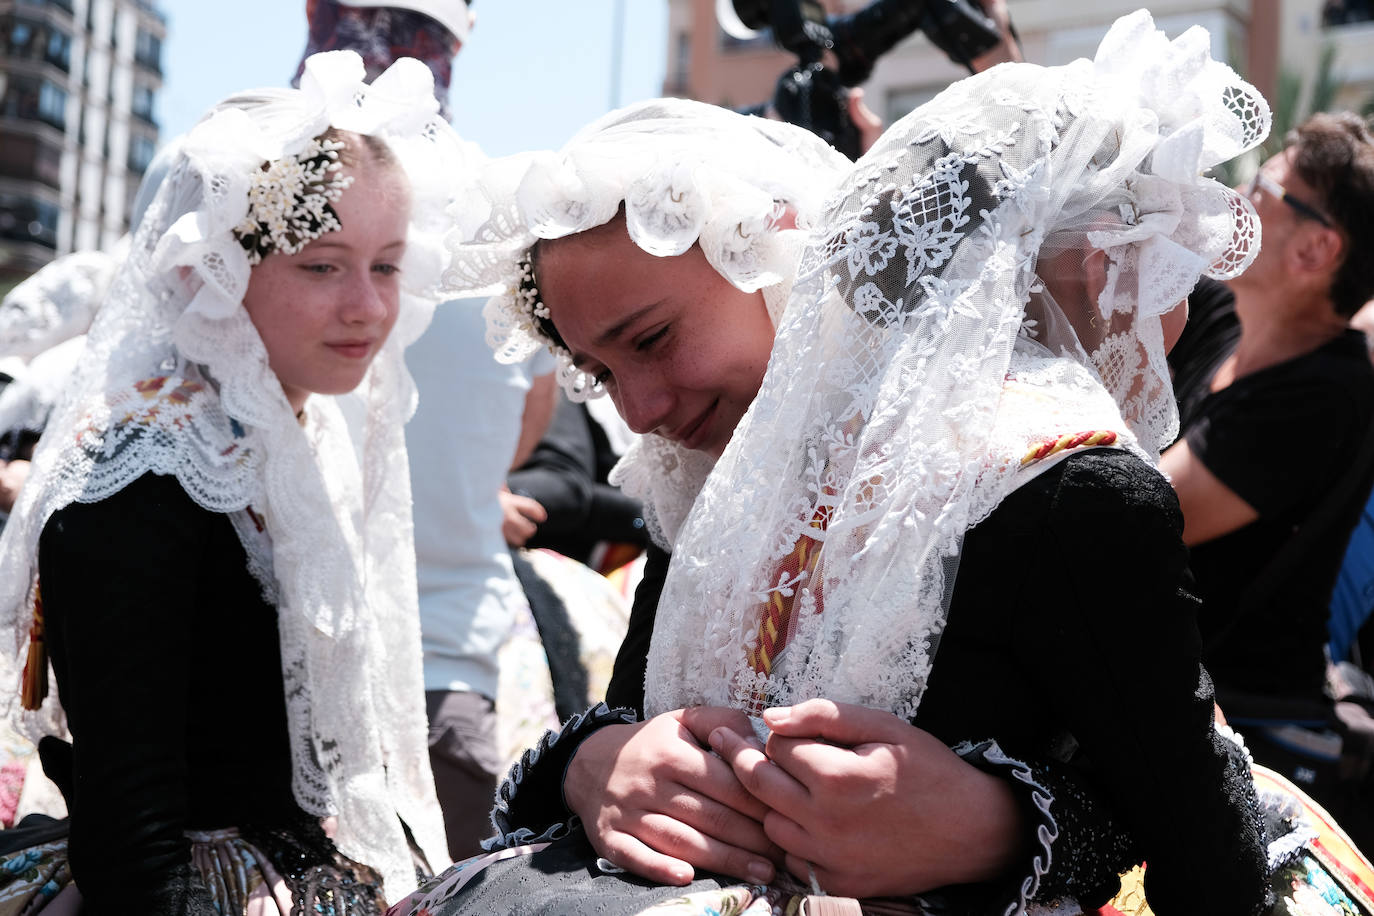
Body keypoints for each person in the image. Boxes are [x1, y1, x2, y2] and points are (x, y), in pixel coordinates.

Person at [397, 12, 1282, 915]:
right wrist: (595, 766)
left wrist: (1004, 827)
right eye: (599, 371)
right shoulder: (722, 478)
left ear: (777, 250)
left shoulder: (1065, 490)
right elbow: (639, 716)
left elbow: (1189, 834)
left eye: (655, 340)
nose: (639, 411)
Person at [0, 51, 463, 913]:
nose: (367, 305)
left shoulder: (290, 431)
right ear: (212, 273)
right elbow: (133, 823)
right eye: (323, 265)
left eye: (388, 264)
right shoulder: (144, 472)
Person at [290, 0, 560, 861]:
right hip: (450, 672)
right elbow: (530, 418)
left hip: (277, 676)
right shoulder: (503, 214)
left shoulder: (251, 186)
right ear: (458, 37)